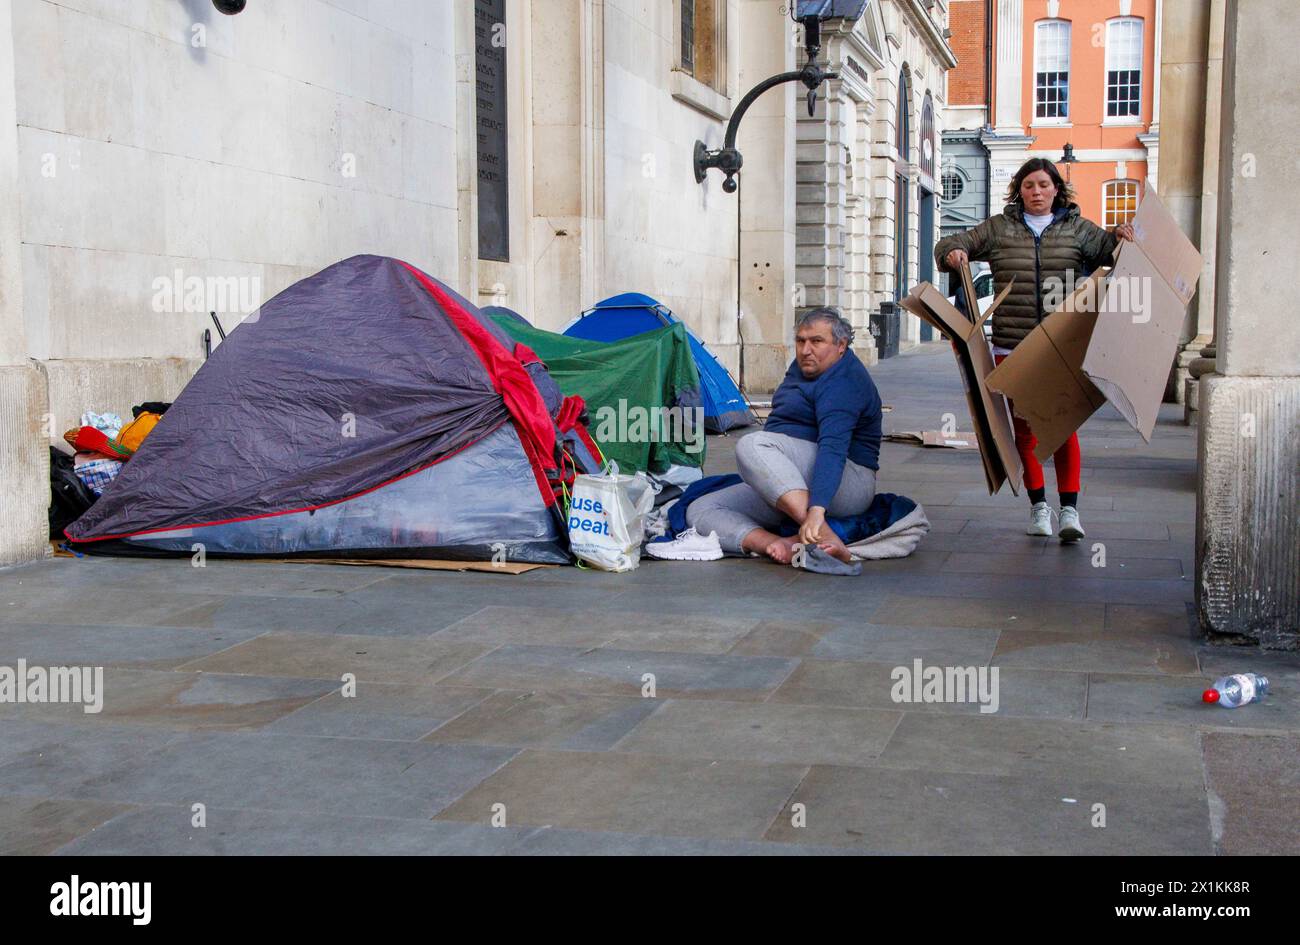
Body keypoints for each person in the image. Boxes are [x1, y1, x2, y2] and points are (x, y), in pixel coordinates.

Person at [933, 158, 1135, 542]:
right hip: (1012, 345)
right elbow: (952, 242)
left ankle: (1070, 511)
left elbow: (1113, 251)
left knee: (1062, 429)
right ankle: (1039, 508)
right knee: (1025, 432)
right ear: (1019, 190)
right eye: (1029, 186)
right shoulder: (999, 228)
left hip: (1061, 347)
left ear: (1056, 188)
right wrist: (954, 254)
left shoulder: (1077, 229)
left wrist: (1123, 234)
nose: (1037, 192)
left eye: (1044, 185)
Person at [650, 307, 882, 563]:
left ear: (841, 345)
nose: (805, 350)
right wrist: (766, 478)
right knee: (701, 509)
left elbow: (833, 450)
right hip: (797, 477)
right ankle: (776, 544)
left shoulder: (844, 381)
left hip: (847, 483)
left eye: (817, 341)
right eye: (800, 341)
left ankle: (822, 534)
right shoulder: (804, 366)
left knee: (752, 444)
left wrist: (816, 512)